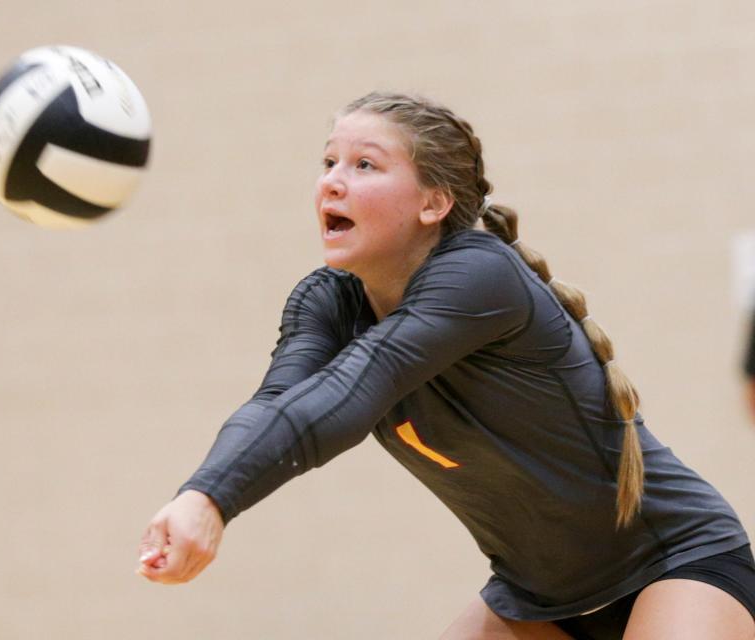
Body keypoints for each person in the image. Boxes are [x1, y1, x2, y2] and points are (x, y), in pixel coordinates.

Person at [136, 92, 755, 639]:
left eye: (364, 165)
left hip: (675, 562)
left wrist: (214, 501)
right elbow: (279, 404)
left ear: (434, 202)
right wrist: (202, 495)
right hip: (537, 599)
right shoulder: (325, 301)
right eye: (328, 162)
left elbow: (357, 387)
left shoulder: (478, 275)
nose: (331, 181)